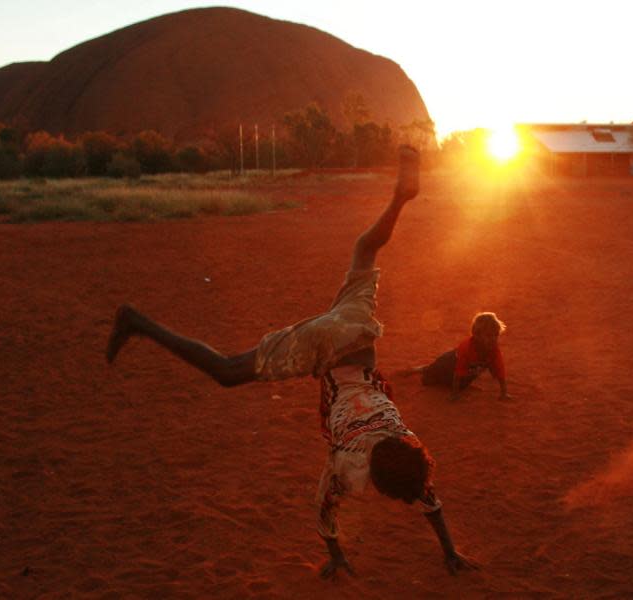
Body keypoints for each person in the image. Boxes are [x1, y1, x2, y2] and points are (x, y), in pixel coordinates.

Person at [106, 146, 476, 579]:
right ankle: (136, 322)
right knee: (227, 372)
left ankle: (400, 199)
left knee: (364, 250)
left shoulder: (405, 441)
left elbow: (425, 492)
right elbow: (328, 506)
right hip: (326, 348)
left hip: (356, 331)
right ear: (376, 481)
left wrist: (449, 550)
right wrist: (337, 555)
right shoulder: (350, 466)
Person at [416, 312, 509, 401]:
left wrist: (504, 393)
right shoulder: (467, 348)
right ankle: (422, 369)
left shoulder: (493, 349)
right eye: (489, 336)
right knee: (427, 380)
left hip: (462, 368)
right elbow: (458, 372)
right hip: (447, 364)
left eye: (496, 335)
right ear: (476, 335)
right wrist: (455, 394)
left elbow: (500, 370)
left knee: (462, 384)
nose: (493, 339)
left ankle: (427, 368)